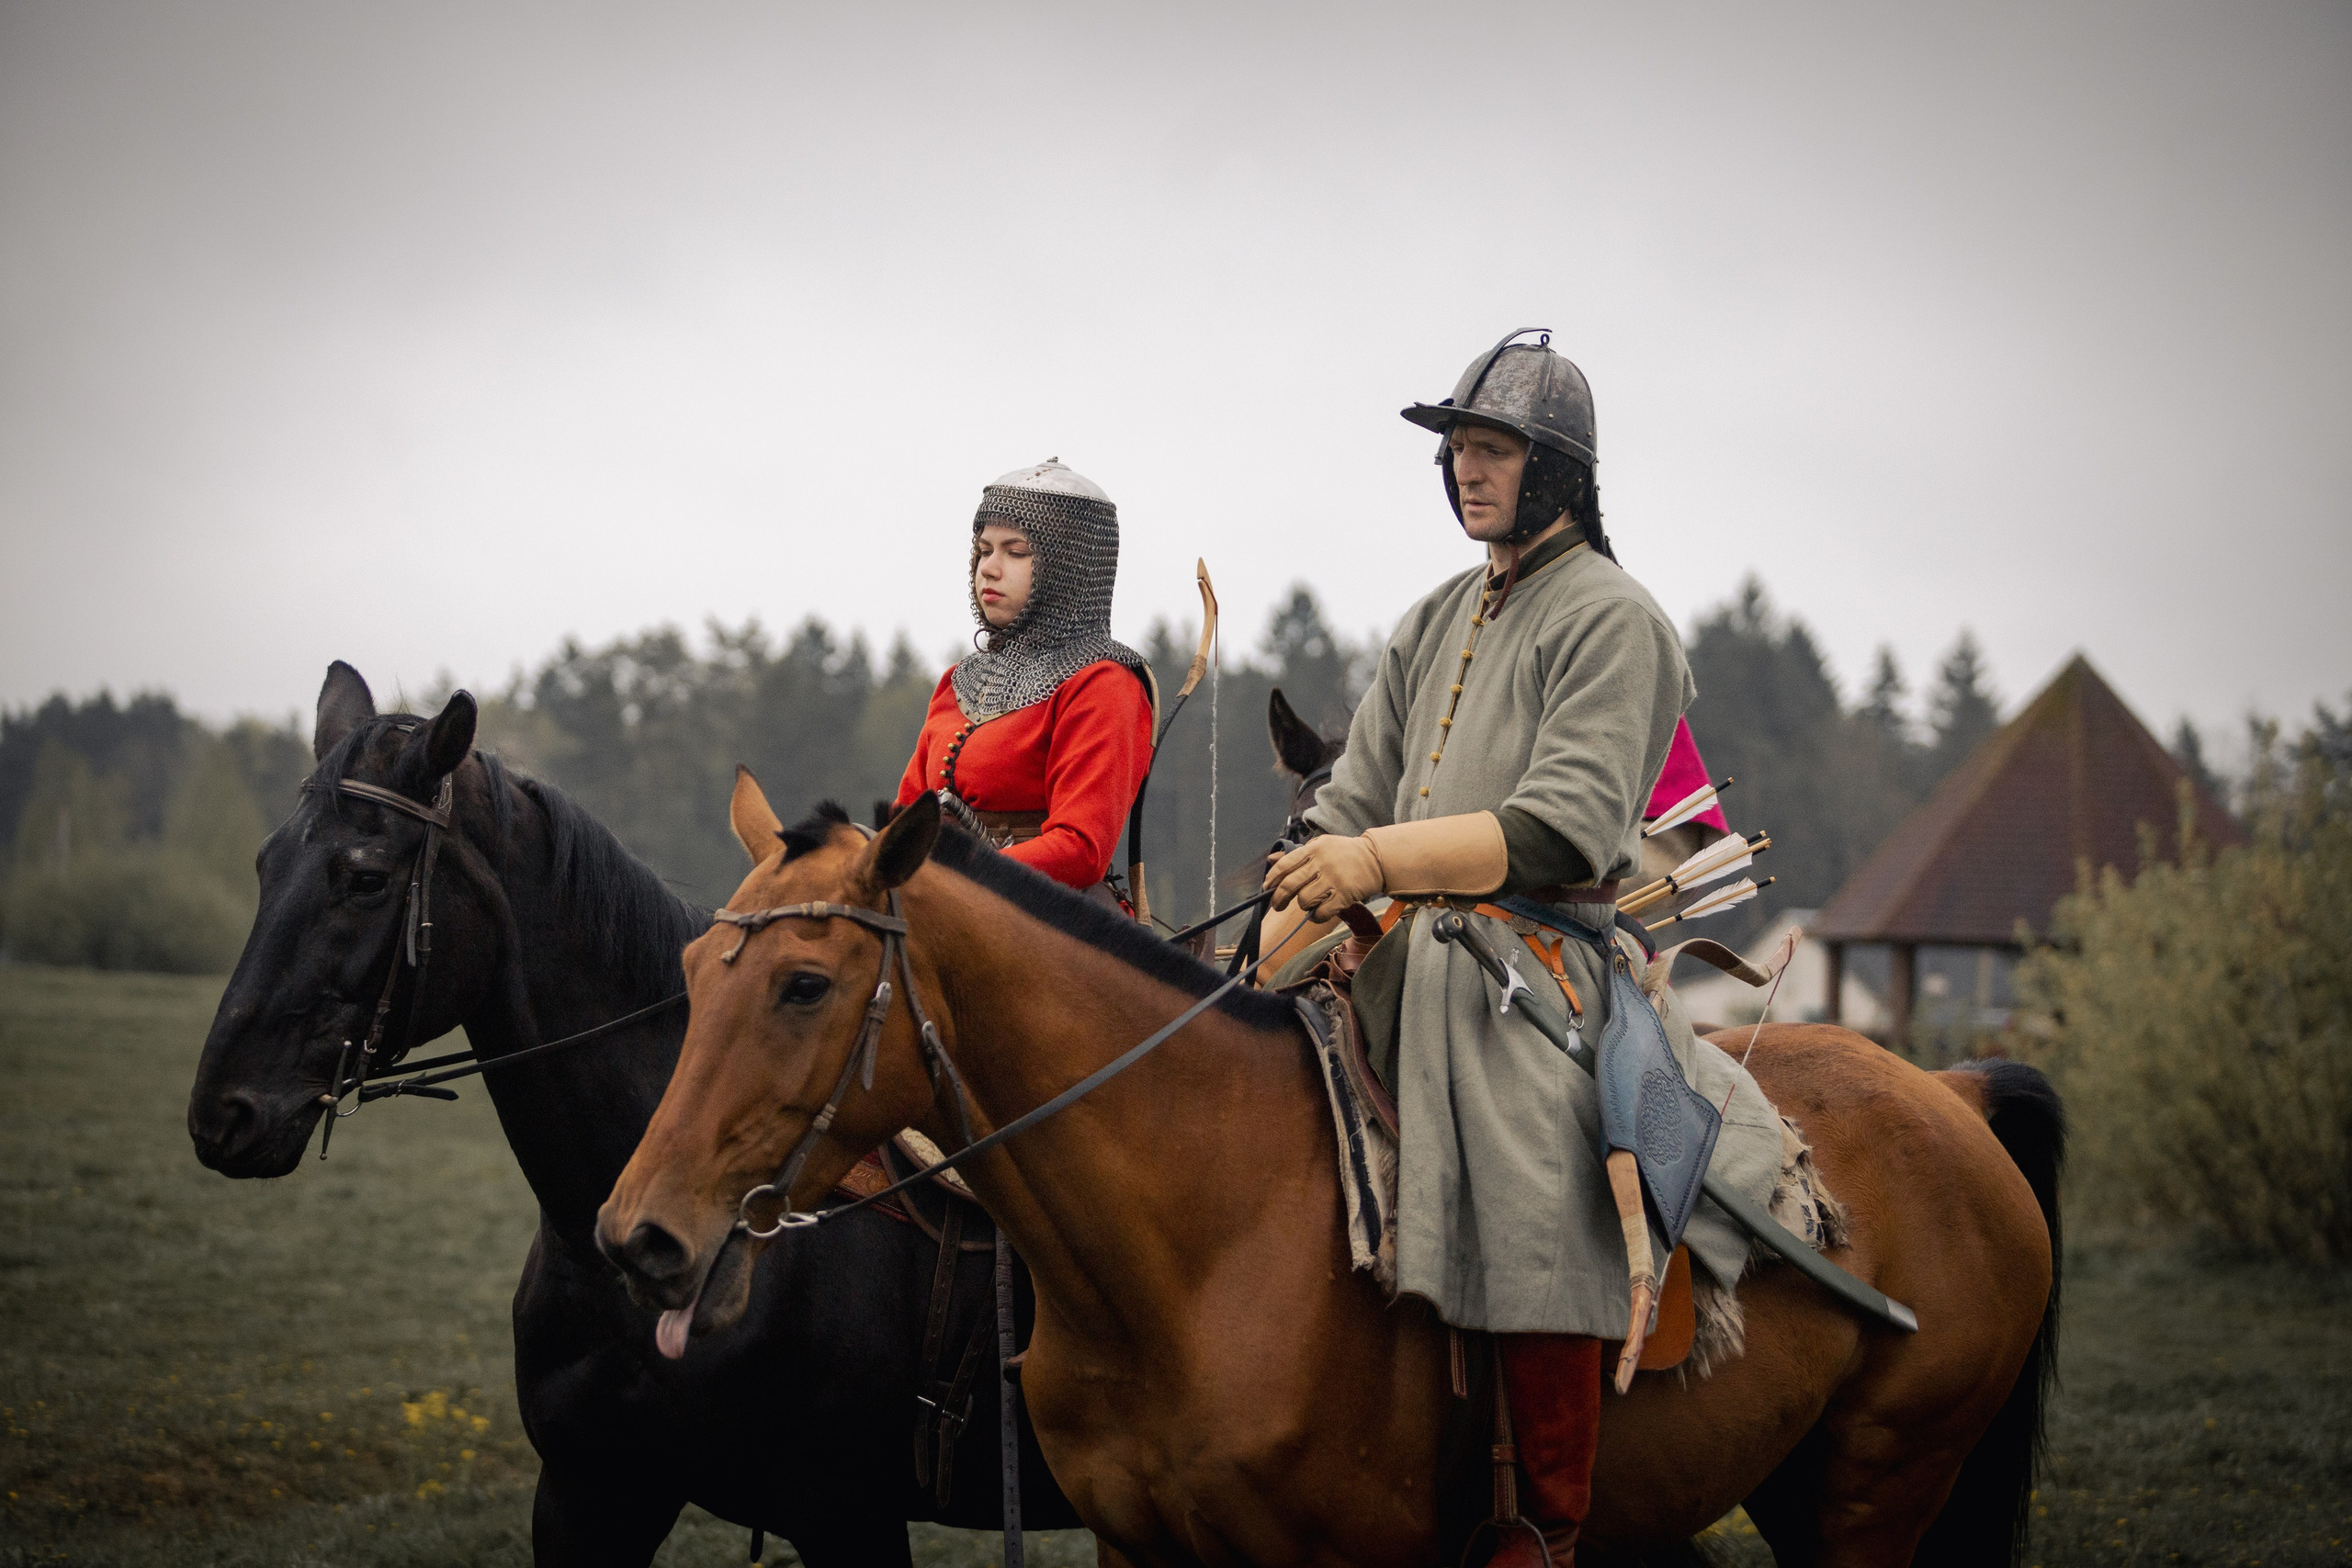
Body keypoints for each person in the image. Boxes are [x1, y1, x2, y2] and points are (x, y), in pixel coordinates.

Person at [1261, 332, 1780, 1567]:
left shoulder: (1616, 617)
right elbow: (1354, 795)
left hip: (1538, 963)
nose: (1465, 470)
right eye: (1457, 451)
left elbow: (1567, 822)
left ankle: (1541, 1520)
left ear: (1554, 469)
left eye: (1490, 449)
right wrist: (1301, 894)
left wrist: (1379, 862)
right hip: (1395, 945)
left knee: (1529, 1164)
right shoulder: (1434, 614)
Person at [894, 458, 1154, 899]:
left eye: (1015, 552)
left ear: (1067, 567)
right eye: (983, 550)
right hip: (937, 913)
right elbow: (903, 821)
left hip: (1052, 929)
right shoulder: (960, 682)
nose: (989, 568)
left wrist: (955, 875)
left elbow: (1079, 849)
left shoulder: (1104, 684)